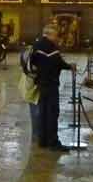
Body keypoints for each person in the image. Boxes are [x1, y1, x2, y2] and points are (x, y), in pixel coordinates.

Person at [31, 23, 75, 151]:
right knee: (52, 113)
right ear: (50, 34)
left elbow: (33, 63)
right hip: (50, 84)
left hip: (40, 83)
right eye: (55, 35)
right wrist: (69, 66)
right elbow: (58, 63)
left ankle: (42, 141)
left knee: (43, 112)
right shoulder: (51, 48)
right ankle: (53, 142)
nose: (57, 38)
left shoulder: (36, 45)